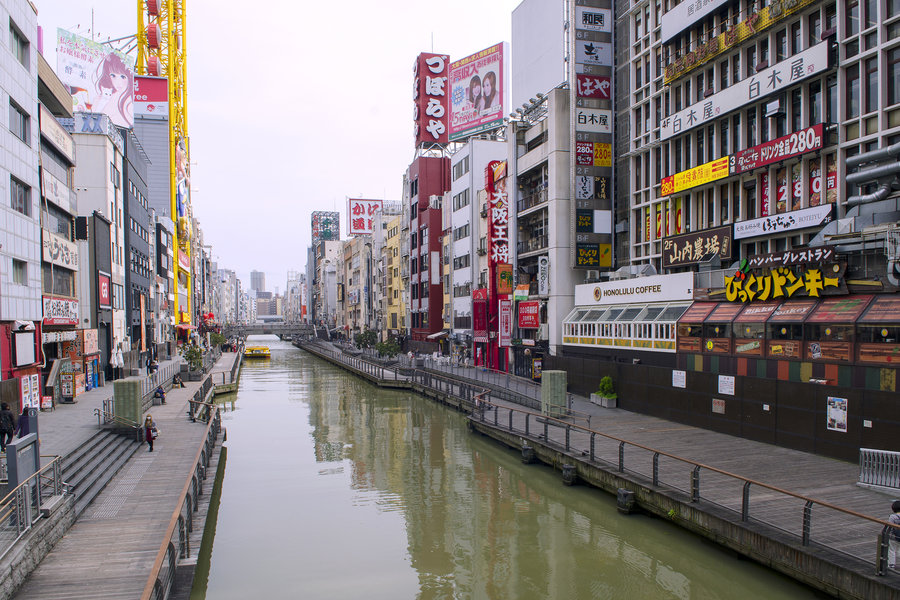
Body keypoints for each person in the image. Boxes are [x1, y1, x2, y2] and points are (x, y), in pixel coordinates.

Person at [92, 52, 133, 128]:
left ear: (129, 78)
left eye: (123, 77)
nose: (118, 82)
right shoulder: (99, 99)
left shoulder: (130, 104)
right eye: (113, 75)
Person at [889, 499, 900, 569]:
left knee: (892, 550)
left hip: (893, 536)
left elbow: (889, 526)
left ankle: (891, 565)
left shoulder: (893, 517)